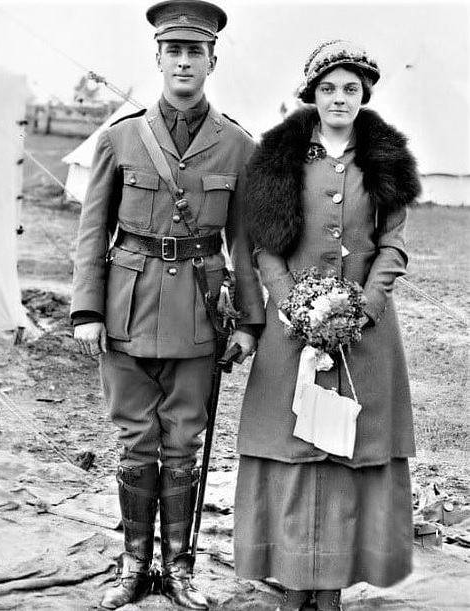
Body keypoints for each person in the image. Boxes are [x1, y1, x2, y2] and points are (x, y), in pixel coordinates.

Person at [70, 1, 264, 609]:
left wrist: (251, 322)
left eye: (195, 52)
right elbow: (90, 229)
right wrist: (87, 311)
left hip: (201, 315)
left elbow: (245, 242)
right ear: (158, 58)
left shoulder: (237, 145)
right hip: (125, 309)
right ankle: (132, 567)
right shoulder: (121, 136)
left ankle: (179, 570)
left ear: (213, 60)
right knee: (135, 440)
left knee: (185, 441)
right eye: (174, 51)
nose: (184, 61)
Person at [234, 40, 421, 611]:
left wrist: (361, 308)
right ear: (311, 95)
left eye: (351, 89)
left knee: (346, 456)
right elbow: (265, 244)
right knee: (292, 451)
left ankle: (332, 586)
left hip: (365, 336)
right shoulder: (278, 160)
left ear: (364, 95)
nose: (340, 98)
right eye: (328, 88)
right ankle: (292, 585)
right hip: (291, 334)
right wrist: (292, 305)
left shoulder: (384, 162)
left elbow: (393, 247)